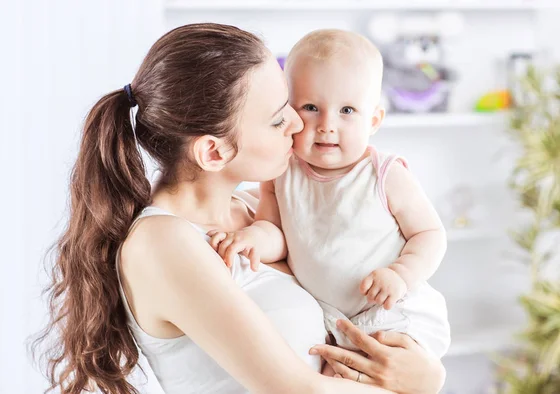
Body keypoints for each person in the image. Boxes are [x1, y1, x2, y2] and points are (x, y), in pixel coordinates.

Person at [35, 23, 446, 394]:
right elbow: (300, 390)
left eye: (291, 104)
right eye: (277, 119)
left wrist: (426, 367)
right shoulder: (164, 244)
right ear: (213, 151)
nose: (300, 125)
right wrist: (424, 384)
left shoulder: (258, 212)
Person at [210, 29, 451, 374]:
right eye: (310, 107)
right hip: (333, 320)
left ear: (374, 121)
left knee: (381, 372)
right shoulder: (281, 173)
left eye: (347, 110)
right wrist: (252, 240)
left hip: (393, 310)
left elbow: (429, 234)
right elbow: (275, 232)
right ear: (290, 112)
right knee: (332, 376)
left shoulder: (384, 174)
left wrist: (401, 274)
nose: (327, 125)